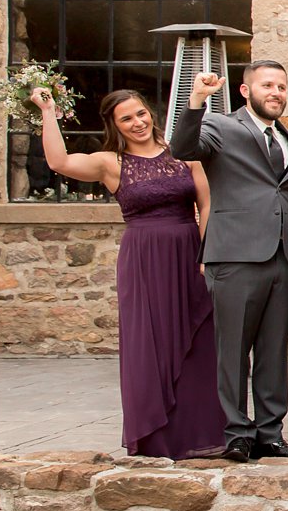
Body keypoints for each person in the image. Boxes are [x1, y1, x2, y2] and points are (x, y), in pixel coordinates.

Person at [33, 87, 225, 460]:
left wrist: (208, 253)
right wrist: (48, 110)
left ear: (150, 113)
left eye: (140, 114)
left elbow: (207, 201)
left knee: (199, 338)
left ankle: (201, 433)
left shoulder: (183, 151)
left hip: (189, 253)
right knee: (149, 343)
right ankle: (155, 435)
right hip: (144, 260)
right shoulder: (109, 162)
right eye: (126, 119)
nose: (137, 123)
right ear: (115, 125)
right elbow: (58, 162)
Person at [172, 63, 288, 463]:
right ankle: (237, 432)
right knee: (233, 349)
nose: (276, 92)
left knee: (274, 350)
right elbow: (182, 147)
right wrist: (197, 100)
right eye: (268, 85)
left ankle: (270, 433)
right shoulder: (220, 126)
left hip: (284, 257)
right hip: (235, 254)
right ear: (245, 89)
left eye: (282, 87)